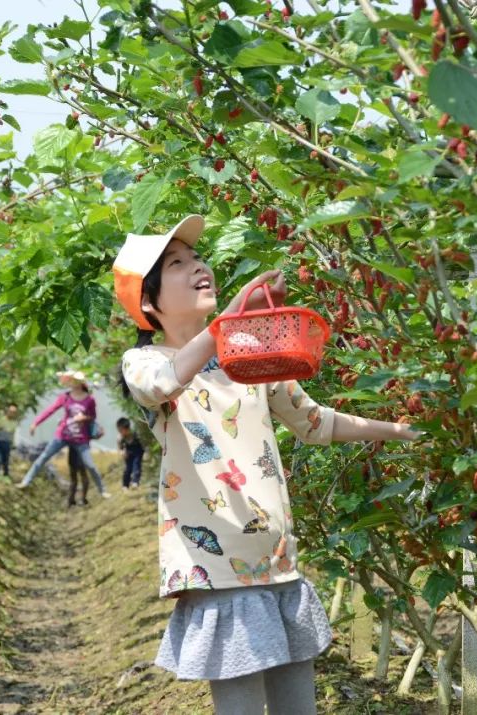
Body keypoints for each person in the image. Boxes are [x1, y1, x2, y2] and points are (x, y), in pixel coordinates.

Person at [112, 215, 419, 715]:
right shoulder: (143, 361)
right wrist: (229, 319)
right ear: (149, 303)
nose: (197, 267)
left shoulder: (247, 356)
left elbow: (313, 422)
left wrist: (396, 430)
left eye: (197, 258)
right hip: (215, 573)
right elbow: (164, 384)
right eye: (176, 264)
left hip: (277, 564)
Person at [17, 370, 111, 499]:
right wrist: (36, 423)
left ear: (80, 383)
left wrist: (84, 418)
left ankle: (102, 490)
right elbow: (50, 410)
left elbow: (93, 417)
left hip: (80, 439)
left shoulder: (90, 400)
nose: (71, 383)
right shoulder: (65, 397)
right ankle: (26, 481)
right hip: (62, 435)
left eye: (74, 381)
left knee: (90, 465)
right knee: (44, 456)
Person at [68, 419, 105, 507]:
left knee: (76, 478)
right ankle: (79, 499)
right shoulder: (86, 425)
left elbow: (97, 433)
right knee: (81, 477)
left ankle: (73, 500)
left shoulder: (73, 424)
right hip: (79, 453)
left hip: (76, 453)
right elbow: (98, 434)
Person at [116, 416, 144, 490]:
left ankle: (135, 482)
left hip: (137, 452)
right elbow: (120, 448)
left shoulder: (135, 434)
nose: (120, 432)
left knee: (136, 466)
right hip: (128, 453)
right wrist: (122, 452)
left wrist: (144, 452)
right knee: (128, 469)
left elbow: (142, 444)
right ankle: (125, 485)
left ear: (126, 428)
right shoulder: (120, 437)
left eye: (121, 430)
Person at [0, 404, 19, 477]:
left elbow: (13, 434)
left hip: (7, 444)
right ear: (7, 411)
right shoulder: (1, 420)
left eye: (14, 412)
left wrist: (13, 444)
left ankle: (6, 476)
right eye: (11, 411)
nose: (12, 413)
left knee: (5, 461)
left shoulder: (14, 423)